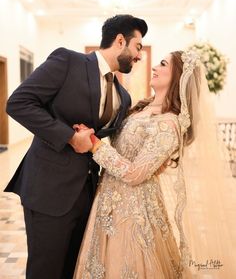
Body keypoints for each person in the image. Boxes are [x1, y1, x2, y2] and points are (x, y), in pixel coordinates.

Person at [4, 14, 148, 279]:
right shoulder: (67, 61)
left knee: (74, 269)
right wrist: (69, 137)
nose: (139, 55)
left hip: (88, 194)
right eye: (138, 46)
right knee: (46, 270)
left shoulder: (123, 96)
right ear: (120, 41)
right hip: (49, 190)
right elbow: (18, 103)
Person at [72, 50, 236, 278]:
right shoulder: (142, 108)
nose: (154, 68)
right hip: (109, 200)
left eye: (162, 64)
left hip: (134, 209)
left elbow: (134, 175)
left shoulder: (169, 124)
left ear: (178, 76)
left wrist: (94, 145)